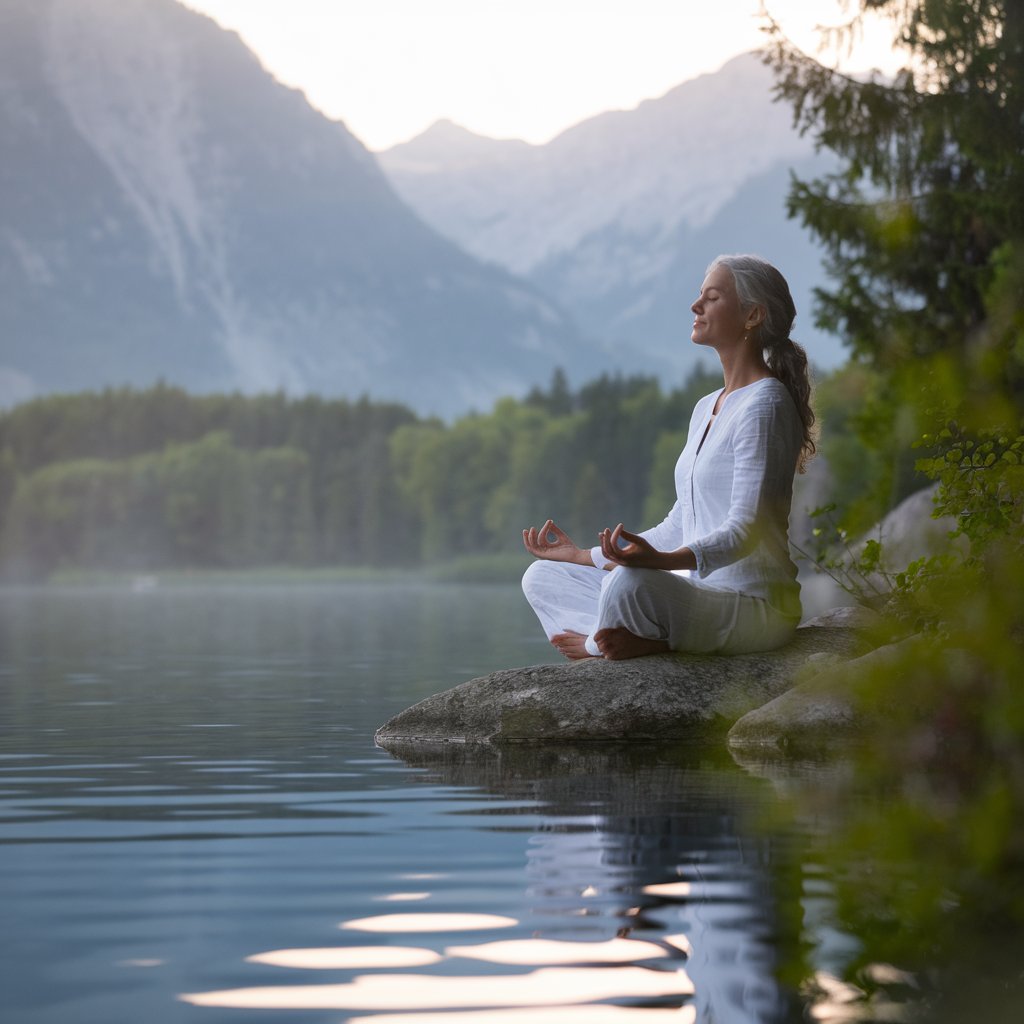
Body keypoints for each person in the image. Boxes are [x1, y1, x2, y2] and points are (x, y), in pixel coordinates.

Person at [521, 254, 815, 661]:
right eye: (700, 296)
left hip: (754, 606)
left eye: (711, 298)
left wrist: (657, 563)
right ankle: (624, 638)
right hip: (698, 593)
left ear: (752, 315)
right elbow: (682, 521)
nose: (696, 306)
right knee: (543, 575)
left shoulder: (765, 404)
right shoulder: (707, 406)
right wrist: (583, 557)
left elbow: (746, 530)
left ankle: (597, 644)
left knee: (628, 584)